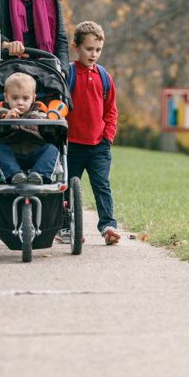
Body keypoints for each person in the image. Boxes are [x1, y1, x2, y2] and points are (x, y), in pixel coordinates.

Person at [58, 21, 120, 245]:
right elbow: (58, 106)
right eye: (89, 49)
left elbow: (110, 110)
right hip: (71, 144)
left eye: (98, 50)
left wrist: (108, 136)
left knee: (102, 185)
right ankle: (64, 227)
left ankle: (108, 226)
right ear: (76, 47)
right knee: (67, 189)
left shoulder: (104, 77)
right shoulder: (68, 74)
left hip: (98, 145)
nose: (94, 54)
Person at [0, 73, 59, 185]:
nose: (20, 103)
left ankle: (39, 175)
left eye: (25, 98)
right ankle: (15, 175)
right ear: (6, 97)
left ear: (33, 99)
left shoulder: (42, 112)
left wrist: (47, 126)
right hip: (10, 155)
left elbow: (54, 138)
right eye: (14, 98)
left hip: (35, 155)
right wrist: (5, 122)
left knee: (52, 149)